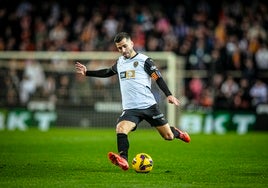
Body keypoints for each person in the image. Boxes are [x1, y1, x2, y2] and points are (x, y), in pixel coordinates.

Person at [75, 32, 190, 171]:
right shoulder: (120, 62)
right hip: (131, 110)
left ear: (131, 44)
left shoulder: (145, 61)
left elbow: (157, 78)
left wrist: (169, 95)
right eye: (119, 48)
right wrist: (88, 72)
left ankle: (176, 132)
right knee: (120, 128)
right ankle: (123, 159)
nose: (123, 50)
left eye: (124, 46)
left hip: (149, 106)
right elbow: (107, 72)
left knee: (168, 136)